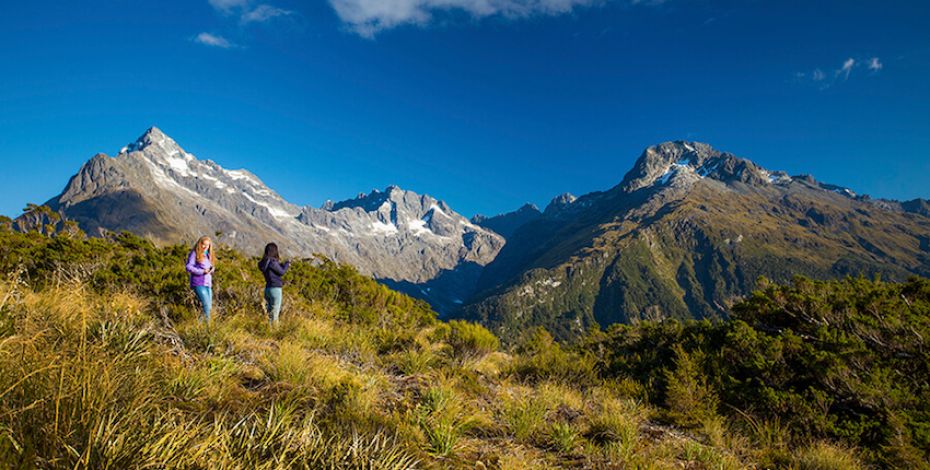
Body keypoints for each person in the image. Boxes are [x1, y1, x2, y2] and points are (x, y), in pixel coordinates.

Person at [258, 242, 290, 326]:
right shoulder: (272, 262)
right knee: (275, 315)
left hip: (267, 289)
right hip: (275, 290)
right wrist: (287, 264)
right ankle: (274, 333)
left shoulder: (264, 263)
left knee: (269, 313)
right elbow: (281, 272)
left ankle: (267, 330)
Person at [186, 236, 216, 323]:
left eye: (207, 245)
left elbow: (211, 267)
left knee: (209, 308)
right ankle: (207, 329)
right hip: (198, 283)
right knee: (206, 306)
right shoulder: (194, 253)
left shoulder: (208, 255)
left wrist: (211, 269)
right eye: (203, 244)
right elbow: (188, 267)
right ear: (200, 244)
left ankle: (198, 326)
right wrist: (202, 271)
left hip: (208, 283)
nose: (205, 247)